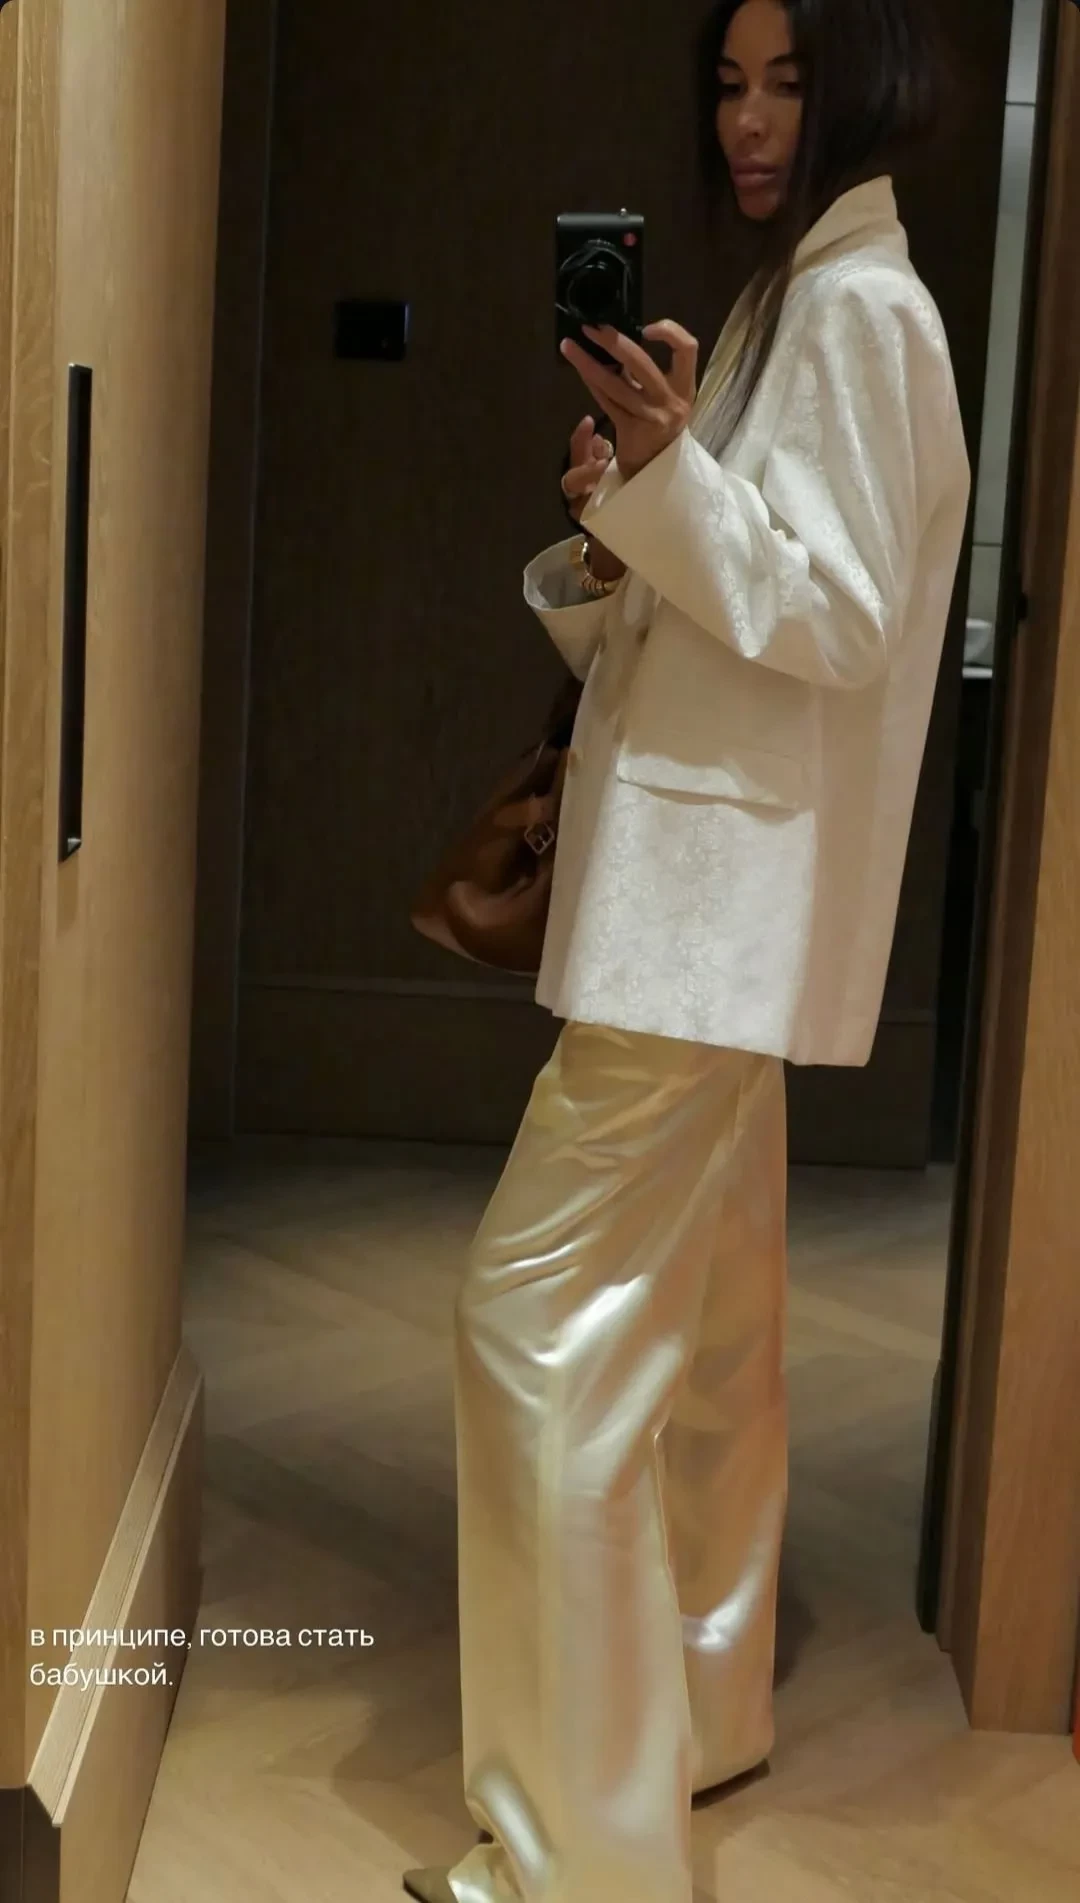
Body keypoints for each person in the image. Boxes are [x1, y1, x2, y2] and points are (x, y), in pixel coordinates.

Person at [404, 3, 969, 1902]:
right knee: (714, 1350)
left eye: (790, 78)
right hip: (703, 914)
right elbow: (729, 609)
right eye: (730, 82)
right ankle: (704, 1708)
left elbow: (841, 613)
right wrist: (617, 521)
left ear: (869, 81)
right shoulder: (781, 304)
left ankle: (578, 1857)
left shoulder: (861, 311)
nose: (749, 118)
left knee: (532, 1328)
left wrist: (673, 482)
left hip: (706, 927)